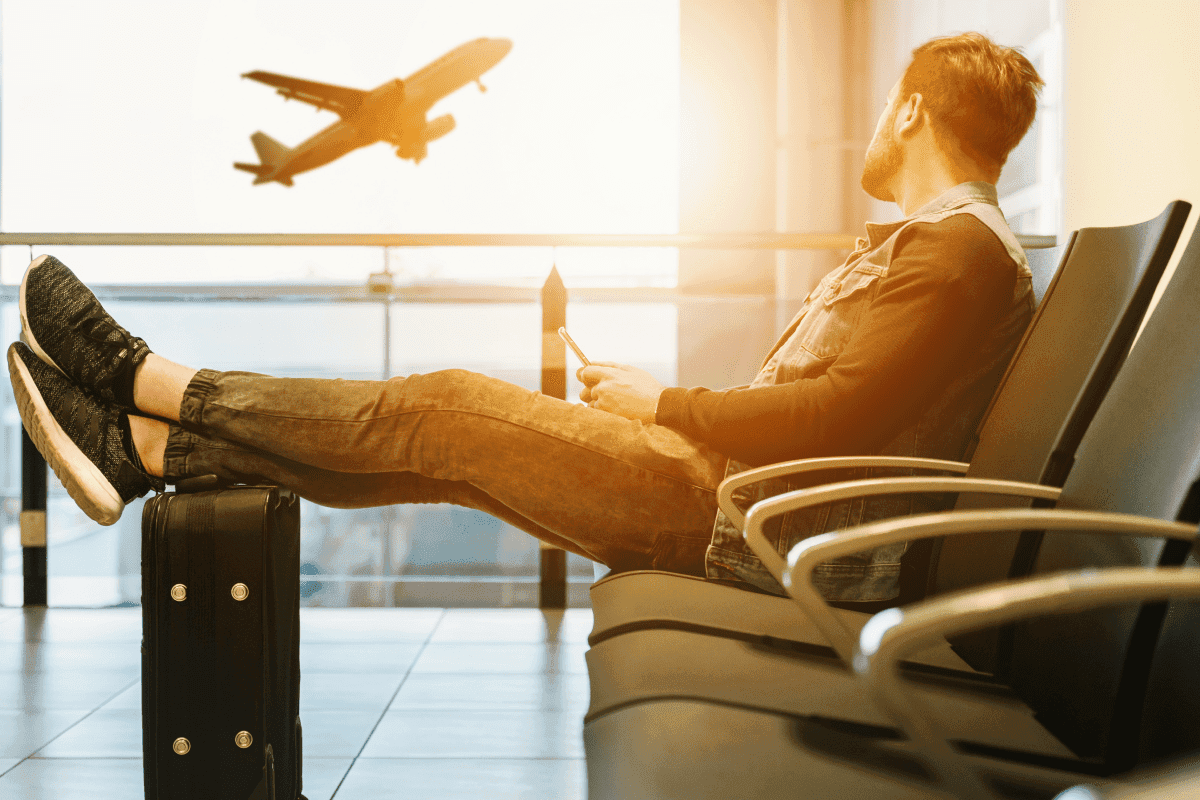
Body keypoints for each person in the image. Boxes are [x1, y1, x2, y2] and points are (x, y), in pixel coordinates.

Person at [9, 31, 1042, 604]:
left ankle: (146, 379)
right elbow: (835, 412)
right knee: (446, 452)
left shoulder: (955, 252)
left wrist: (668, 401)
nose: (873, 127)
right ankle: (149, 449)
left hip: (748, 525)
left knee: (445, 408)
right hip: (746, 507)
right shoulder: (948, 251)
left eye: (882, 110)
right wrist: (668, 409)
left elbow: (836, 419)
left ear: (909, 110)